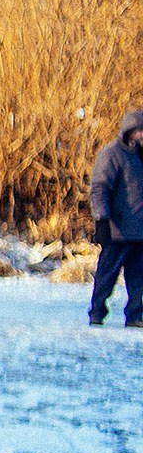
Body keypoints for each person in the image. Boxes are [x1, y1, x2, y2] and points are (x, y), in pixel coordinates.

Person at [89, 108, 143, 327]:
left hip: (140, 232)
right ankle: (97, 312)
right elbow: (100, 188)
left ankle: (136, 315)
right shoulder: (113, 154)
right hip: (117, 229)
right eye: (139, 131)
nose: (142, 135)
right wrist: (102, 219)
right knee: (106, 276)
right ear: (129, 131)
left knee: (138, 280)